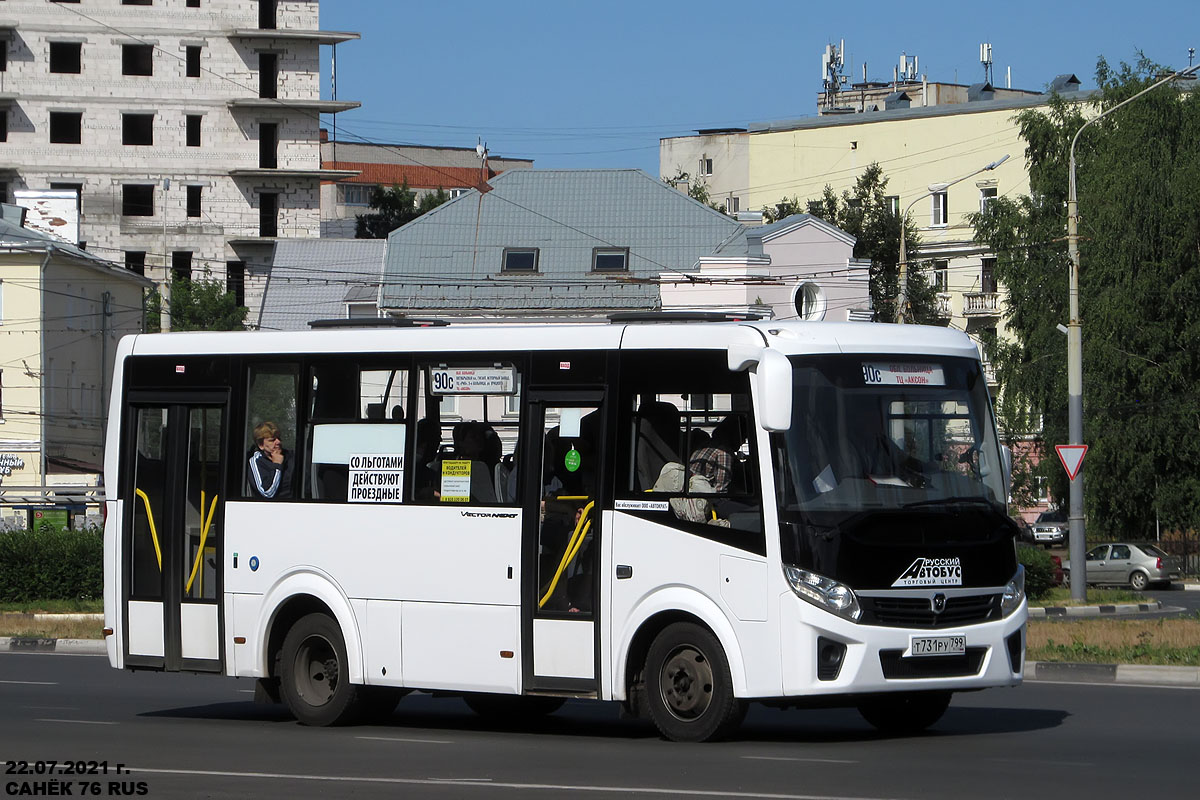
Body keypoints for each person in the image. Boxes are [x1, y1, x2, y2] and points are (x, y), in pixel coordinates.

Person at [248, 421, 294, 499]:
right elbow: (267, 493)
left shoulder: (290, 456)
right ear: (261, 445)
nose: (278, 442)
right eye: (272, 440)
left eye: (278, 438)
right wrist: (277, 465)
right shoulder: (257, 461)